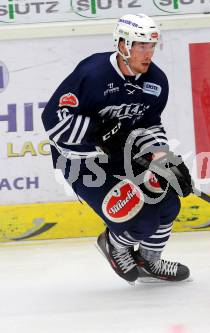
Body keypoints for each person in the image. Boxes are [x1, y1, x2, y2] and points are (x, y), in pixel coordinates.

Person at [41, 13, 193, 284]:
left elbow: (149, 125)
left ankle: (149, 261)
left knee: (168, 202)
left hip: (122, 157)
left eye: (151, 46)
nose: (147, 54)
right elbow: (53, 122)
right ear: (123, 45)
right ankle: (114, 244)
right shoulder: (93, 73)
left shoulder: (156, 82)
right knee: (140, 221)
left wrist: (162, 158)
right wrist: (96, 133)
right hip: (81, 162)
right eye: (141, 46)